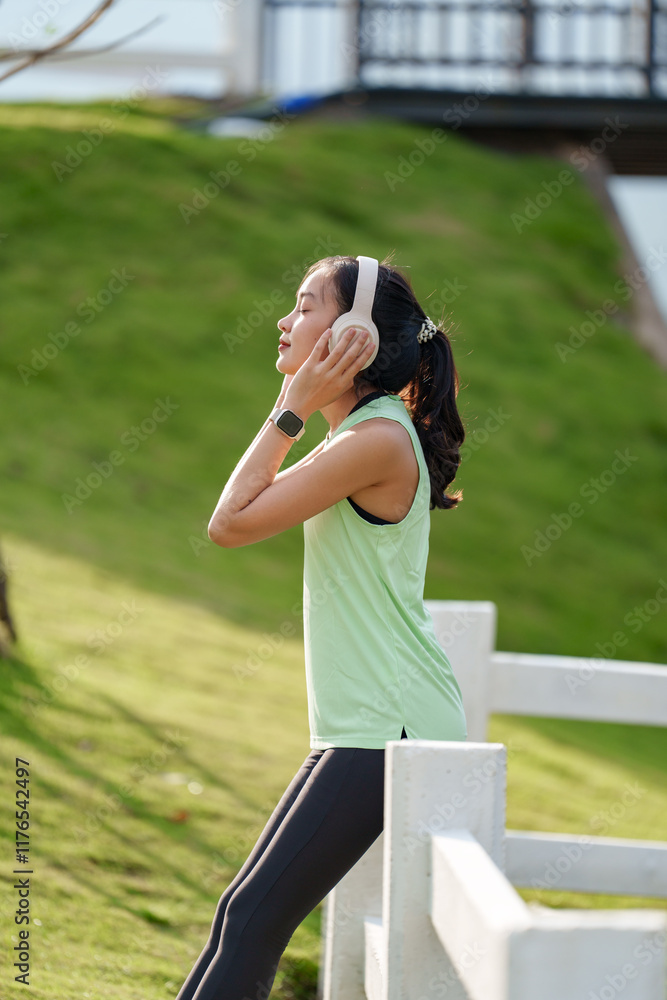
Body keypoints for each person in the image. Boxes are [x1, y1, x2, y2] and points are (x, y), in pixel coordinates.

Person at [175, 253, 468, 1000]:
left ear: (355, 334)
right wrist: (300, 400)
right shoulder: (365, 432)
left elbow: (229, 524)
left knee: (251, 919)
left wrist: (291, 402)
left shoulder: (376, 438)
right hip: (366, 724)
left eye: (304, 305)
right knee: (242, 915)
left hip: (390, 728)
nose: (283, 319)